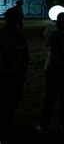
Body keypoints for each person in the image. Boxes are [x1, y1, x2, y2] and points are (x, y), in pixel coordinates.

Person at [35, 12, 64, 133]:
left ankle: (43, 124)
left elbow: (51, 48)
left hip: (53, 69)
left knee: (49, 97)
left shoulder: (54, 35)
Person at [0, 8, 29, 142]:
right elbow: (24, 56)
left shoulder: (4, 34)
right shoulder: (18, 36)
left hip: (7, 73)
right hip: (14, 74)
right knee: (11, 101)